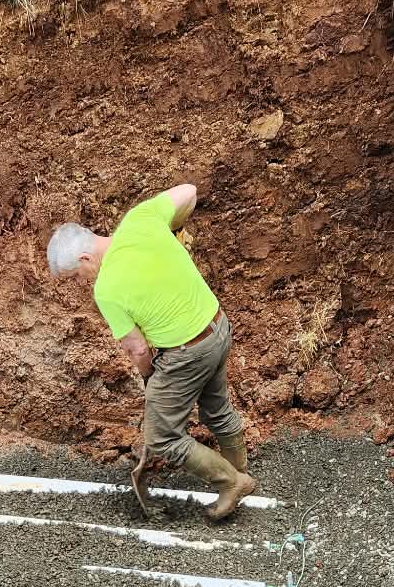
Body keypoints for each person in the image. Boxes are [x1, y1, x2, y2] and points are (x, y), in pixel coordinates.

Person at [46, 184, 256, 521]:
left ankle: (233, 482)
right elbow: (189, 191)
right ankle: (240, 470)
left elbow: (138, 348)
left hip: (188, 353)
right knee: (216, 408)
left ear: (85, 258)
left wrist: (150, 377)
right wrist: (175, 228)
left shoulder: (107, 289)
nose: (81, 284)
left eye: (76, 277)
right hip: (217, 327)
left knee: (163, 438)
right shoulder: (140, 219)